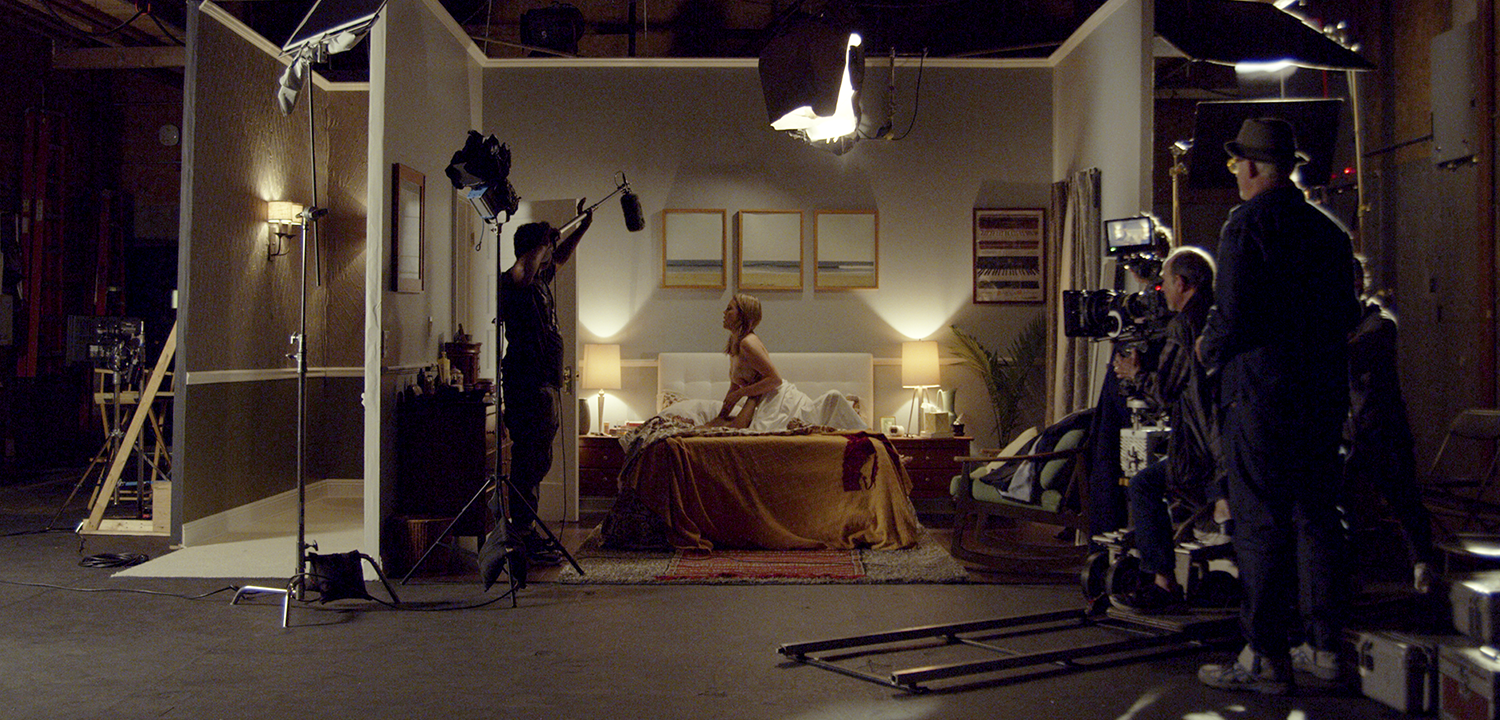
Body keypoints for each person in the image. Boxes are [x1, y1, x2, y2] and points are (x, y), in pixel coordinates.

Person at [1195, 118, 1361, 694]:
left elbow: (1234, 313)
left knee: (1261, 522)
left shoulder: (1246, 224)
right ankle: (1325, 647)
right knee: (1318, 516)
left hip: (1261, 395)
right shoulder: (1329, 231)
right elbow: (1347, 315)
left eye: (1236, 163)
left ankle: (1265, 655)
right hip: (1321, 394)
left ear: (1249, 166)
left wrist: (1207, 346)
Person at [480, 199, 593, 584]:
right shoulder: (515, 280)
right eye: (543, 248)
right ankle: (521, 531)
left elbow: (558, 258)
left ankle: (526, 528)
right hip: (525, 384)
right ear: (531, 249)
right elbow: (527, 266)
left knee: (541, 456)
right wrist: (544, 240)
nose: (548, 256)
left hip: (545, 382)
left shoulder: (541, 280)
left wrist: (580, 229)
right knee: (529, 458)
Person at [1111, 245, 1228, 613]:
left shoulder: (1183, 324)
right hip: (1227, 445)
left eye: (1165, 282)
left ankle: (1163, 583)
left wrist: (1134, 373)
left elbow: (1165, 390)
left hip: (1200, 450)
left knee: (1143, 485)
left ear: (1182, 283)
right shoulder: (1219, 316)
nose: (1161, 291)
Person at [1343, 254, 1436, 592]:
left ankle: (1423, 565)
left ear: (1356, 284)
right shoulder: (1342, 322)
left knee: (1403, 498)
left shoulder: (1379, 322)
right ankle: (1352, 574)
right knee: (1341, 502)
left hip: (1382, 429)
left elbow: (1352, 357)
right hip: (1352, 432)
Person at [703, 293, 782, 428]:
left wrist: (741, 393)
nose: (724, 312)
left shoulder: (748, 343)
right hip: (756, 399)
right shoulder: (734, 341)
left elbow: (775, 380)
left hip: (774, 400)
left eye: (729, 309)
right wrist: (719, 418)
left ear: (742, 315)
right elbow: (734, 387)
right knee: (717, 426)